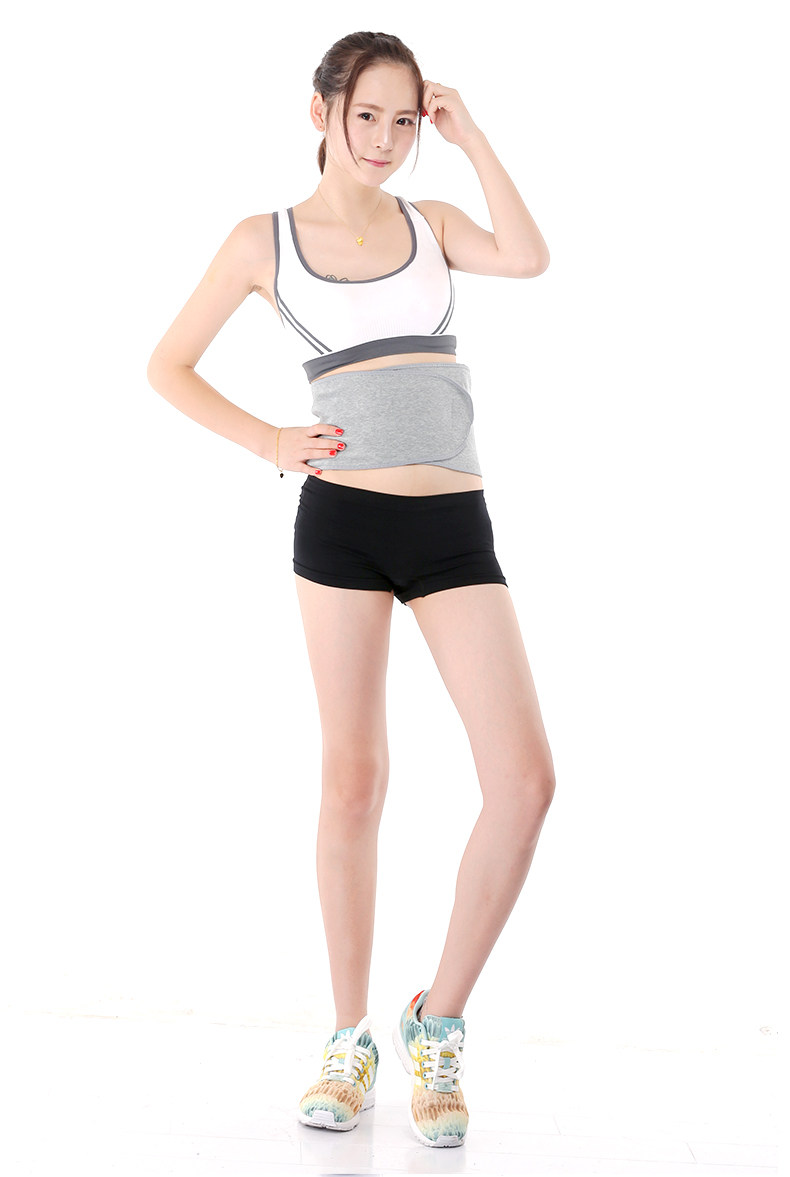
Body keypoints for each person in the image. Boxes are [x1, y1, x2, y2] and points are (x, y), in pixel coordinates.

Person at [147, 29, 555, 1150]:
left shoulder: (435, 223)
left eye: (404, 120)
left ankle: (438, 1018)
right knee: (354, 781)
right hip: (344, 526)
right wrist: (269, 440)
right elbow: (166, 364)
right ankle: (347, 1036)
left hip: (453, 526)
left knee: (524, 779)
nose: (384, 138)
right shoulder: (263, 240)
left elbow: (528, 257)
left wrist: (471, 138)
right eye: (366, 114)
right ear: (321, 111)